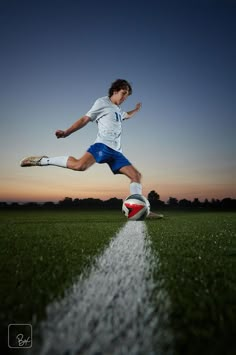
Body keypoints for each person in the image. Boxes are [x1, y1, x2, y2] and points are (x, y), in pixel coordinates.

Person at [20, 79, 163, 218]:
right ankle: (43, 160)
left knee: (136, 176)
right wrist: (66, 132)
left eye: (127, 95)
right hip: (102, 146)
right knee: (79, 166)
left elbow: (127, 115)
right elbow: (85, 119)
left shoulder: (118, 111)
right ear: (114, 91)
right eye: (123, 93)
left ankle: (142, 210)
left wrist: (136, 110)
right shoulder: (102, 102)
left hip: (117, 152)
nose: (125, 97)